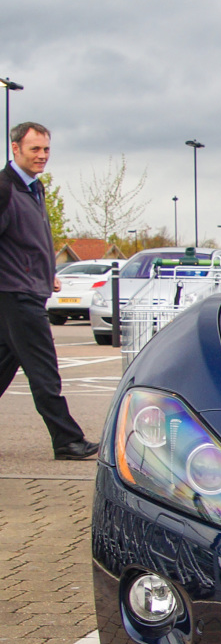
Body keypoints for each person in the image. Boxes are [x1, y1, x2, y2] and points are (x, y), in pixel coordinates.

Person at [0, 123, 98, 460]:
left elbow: (28, 241)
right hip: (15, 295)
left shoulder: (34, 188)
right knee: (44, 369)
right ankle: (67, 440)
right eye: (34, 150)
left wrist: (48, 273)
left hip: (27, 288)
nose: (42, 156)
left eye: (46, 150)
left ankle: (66, 439)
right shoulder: (4, 188)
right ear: (15, 149)